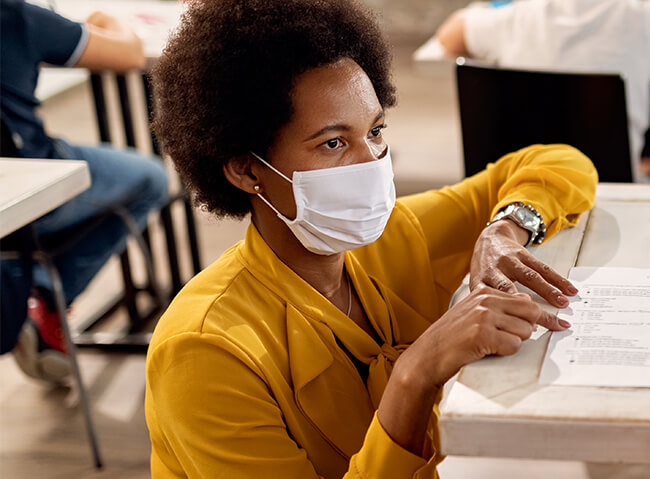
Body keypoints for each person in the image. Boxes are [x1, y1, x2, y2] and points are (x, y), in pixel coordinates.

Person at [143, 0, 597, 477]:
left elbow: (560, 162)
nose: (373, 162)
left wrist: (505, 228)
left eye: (376, 131)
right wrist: (416, 377)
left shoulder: (392, 238)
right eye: (333, 143)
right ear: (246, 168)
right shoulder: (204, 351)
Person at [0, 0, 169, 382]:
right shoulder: (16, 17)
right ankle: (45, 296)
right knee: (151, 179)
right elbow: (127, 53)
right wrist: (106, 19)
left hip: (5, 196)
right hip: (37, 184)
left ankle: (31, 288)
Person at [435, 0, 650, 181]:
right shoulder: (644, 19)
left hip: (514, 189)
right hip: (611, 191)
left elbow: (448, 36)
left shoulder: (512, 18)